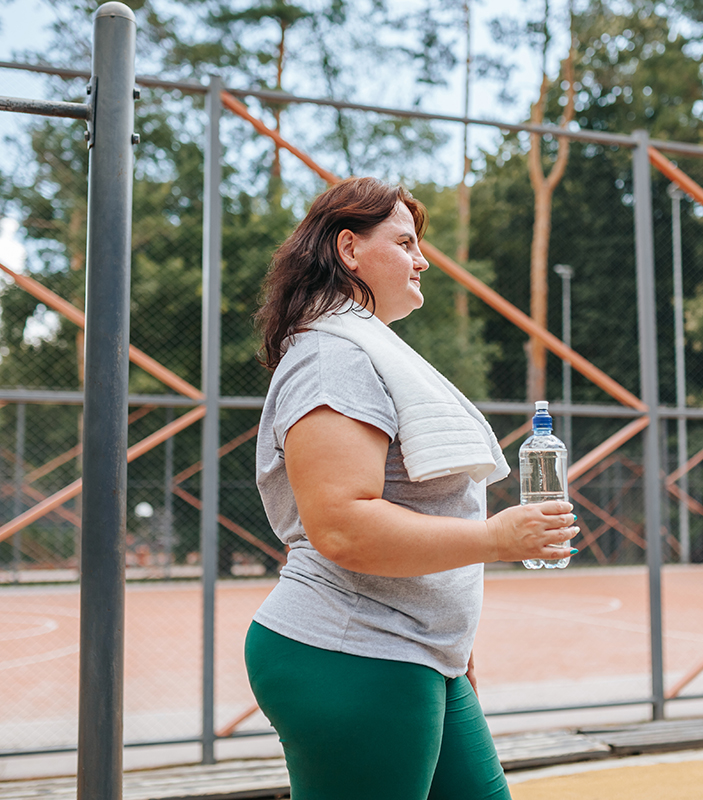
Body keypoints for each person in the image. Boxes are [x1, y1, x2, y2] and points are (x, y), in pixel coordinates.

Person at [245, 177, 578, 800]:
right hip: (355, 652)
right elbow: (342, 525)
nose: (422, 259)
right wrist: (494, 538)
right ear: (349, 249)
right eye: (405, 242)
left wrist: (455, 642)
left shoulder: (357, 347)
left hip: (418, 653)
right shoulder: (332, 358)